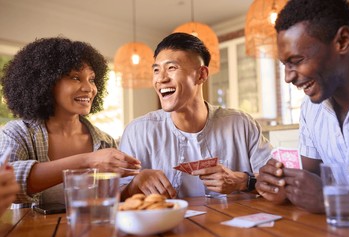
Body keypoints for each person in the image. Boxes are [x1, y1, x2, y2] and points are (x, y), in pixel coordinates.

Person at [256, 0, 349, 219]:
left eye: (296, 60)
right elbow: (309, 178)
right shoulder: (311, 108)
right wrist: (281, 183)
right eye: (285, 65)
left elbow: (322, 198)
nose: (288, 77)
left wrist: (333, 200)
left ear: (343, 41)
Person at [120, 32, 272, 199]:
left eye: (172, 68)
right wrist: (134, 185)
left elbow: (277, 182)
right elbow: (116, 199)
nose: (161, 78)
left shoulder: (241, 124)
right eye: (156, 70)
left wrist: (242, 181)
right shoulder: (137, 132)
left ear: (201, 75)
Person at [0, 37, 141, 205]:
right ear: (46, 82)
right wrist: (87, 161)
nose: (89, 88)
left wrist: (136, 184)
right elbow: (7, 182)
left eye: (91, 79)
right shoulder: (18, 133)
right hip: (34, 232)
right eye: (75, 77)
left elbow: (112, 198)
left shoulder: (105, 142)